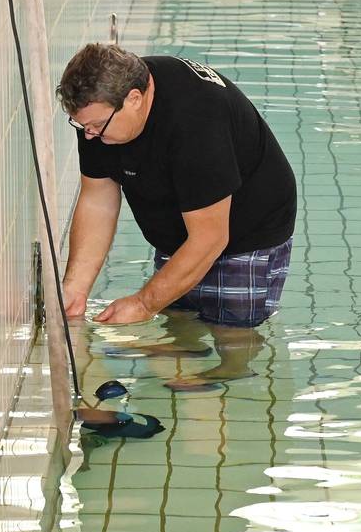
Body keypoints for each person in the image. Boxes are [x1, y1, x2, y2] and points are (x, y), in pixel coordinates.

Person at [56, 44, 297, 343]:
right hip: (184, 224)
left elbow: (210, 238)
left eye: (95, 126)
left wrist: (144, 303)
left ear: (134, 99)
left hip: (247, 231)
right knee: (179, 328)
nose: (89, 135)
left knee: (233, 338)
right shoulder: (100, 110)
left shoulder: (195, 118)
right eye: (83, 126)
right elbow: (97, 201)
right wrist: (75, 290)